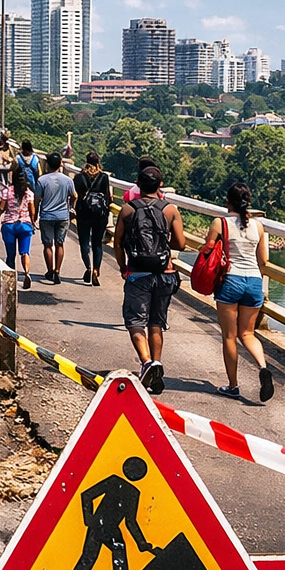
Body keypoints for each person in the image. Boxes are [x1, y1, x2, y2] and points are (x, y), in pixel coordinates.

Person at [113, 161, 185, 394]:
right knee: (156, 322)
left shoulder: (127, 209)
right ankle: (157, 363)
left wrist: (123, 267)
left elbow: (118, 242)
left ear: (138, 185)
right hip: (165, 273)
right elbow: (180, 243)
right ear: (160, 185)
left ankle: (146, 363)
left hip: (138, 272)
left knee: (135, 321)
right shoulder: (170, 210)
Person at [206, 180, 275, 402]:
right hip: (254, 282)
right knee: (248, 334)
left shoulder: (220, 223)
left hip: (230, 281)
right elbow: (263, 260)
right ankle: (263, 367)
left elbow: (208, 251)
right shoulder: (259, 227)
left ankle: (233, 386)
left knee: (229, 336)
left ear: (228, 202)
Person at [0, 163, 38, 288]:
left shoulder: (7, 191)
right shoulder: (28, 192)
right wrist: (32, 222)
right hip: (25, 225)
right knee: (25, 252)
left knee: (10, 255)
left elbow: (1, 209)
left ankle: (11, 281)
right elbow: (32, 210)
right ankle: (27, 273)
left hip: (9, 226)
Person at [34, 151, 75, 284]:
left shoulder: (41, 180)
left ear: (47, 165)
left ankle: (50, 271)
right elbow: (74, 195)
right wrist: (71, 206)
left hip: (46, 215)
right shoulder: (68, 180)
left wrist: (34, 215)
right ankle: (58, 270)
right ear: (60, 164)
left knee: (47, 245)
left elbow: (37, 199)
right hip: (63, 215)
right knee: (60, 243)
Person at [74, 151, 113, 287]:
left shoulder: (79, 177)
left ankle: (88, 268)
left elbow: (77, 194)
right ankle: (96, 270)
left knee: (84, 242)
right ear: (98, 162)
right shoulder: (103, 177)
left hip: (83, 213)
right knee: (97, 243)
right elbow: (108, 197)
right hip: (99, 214)